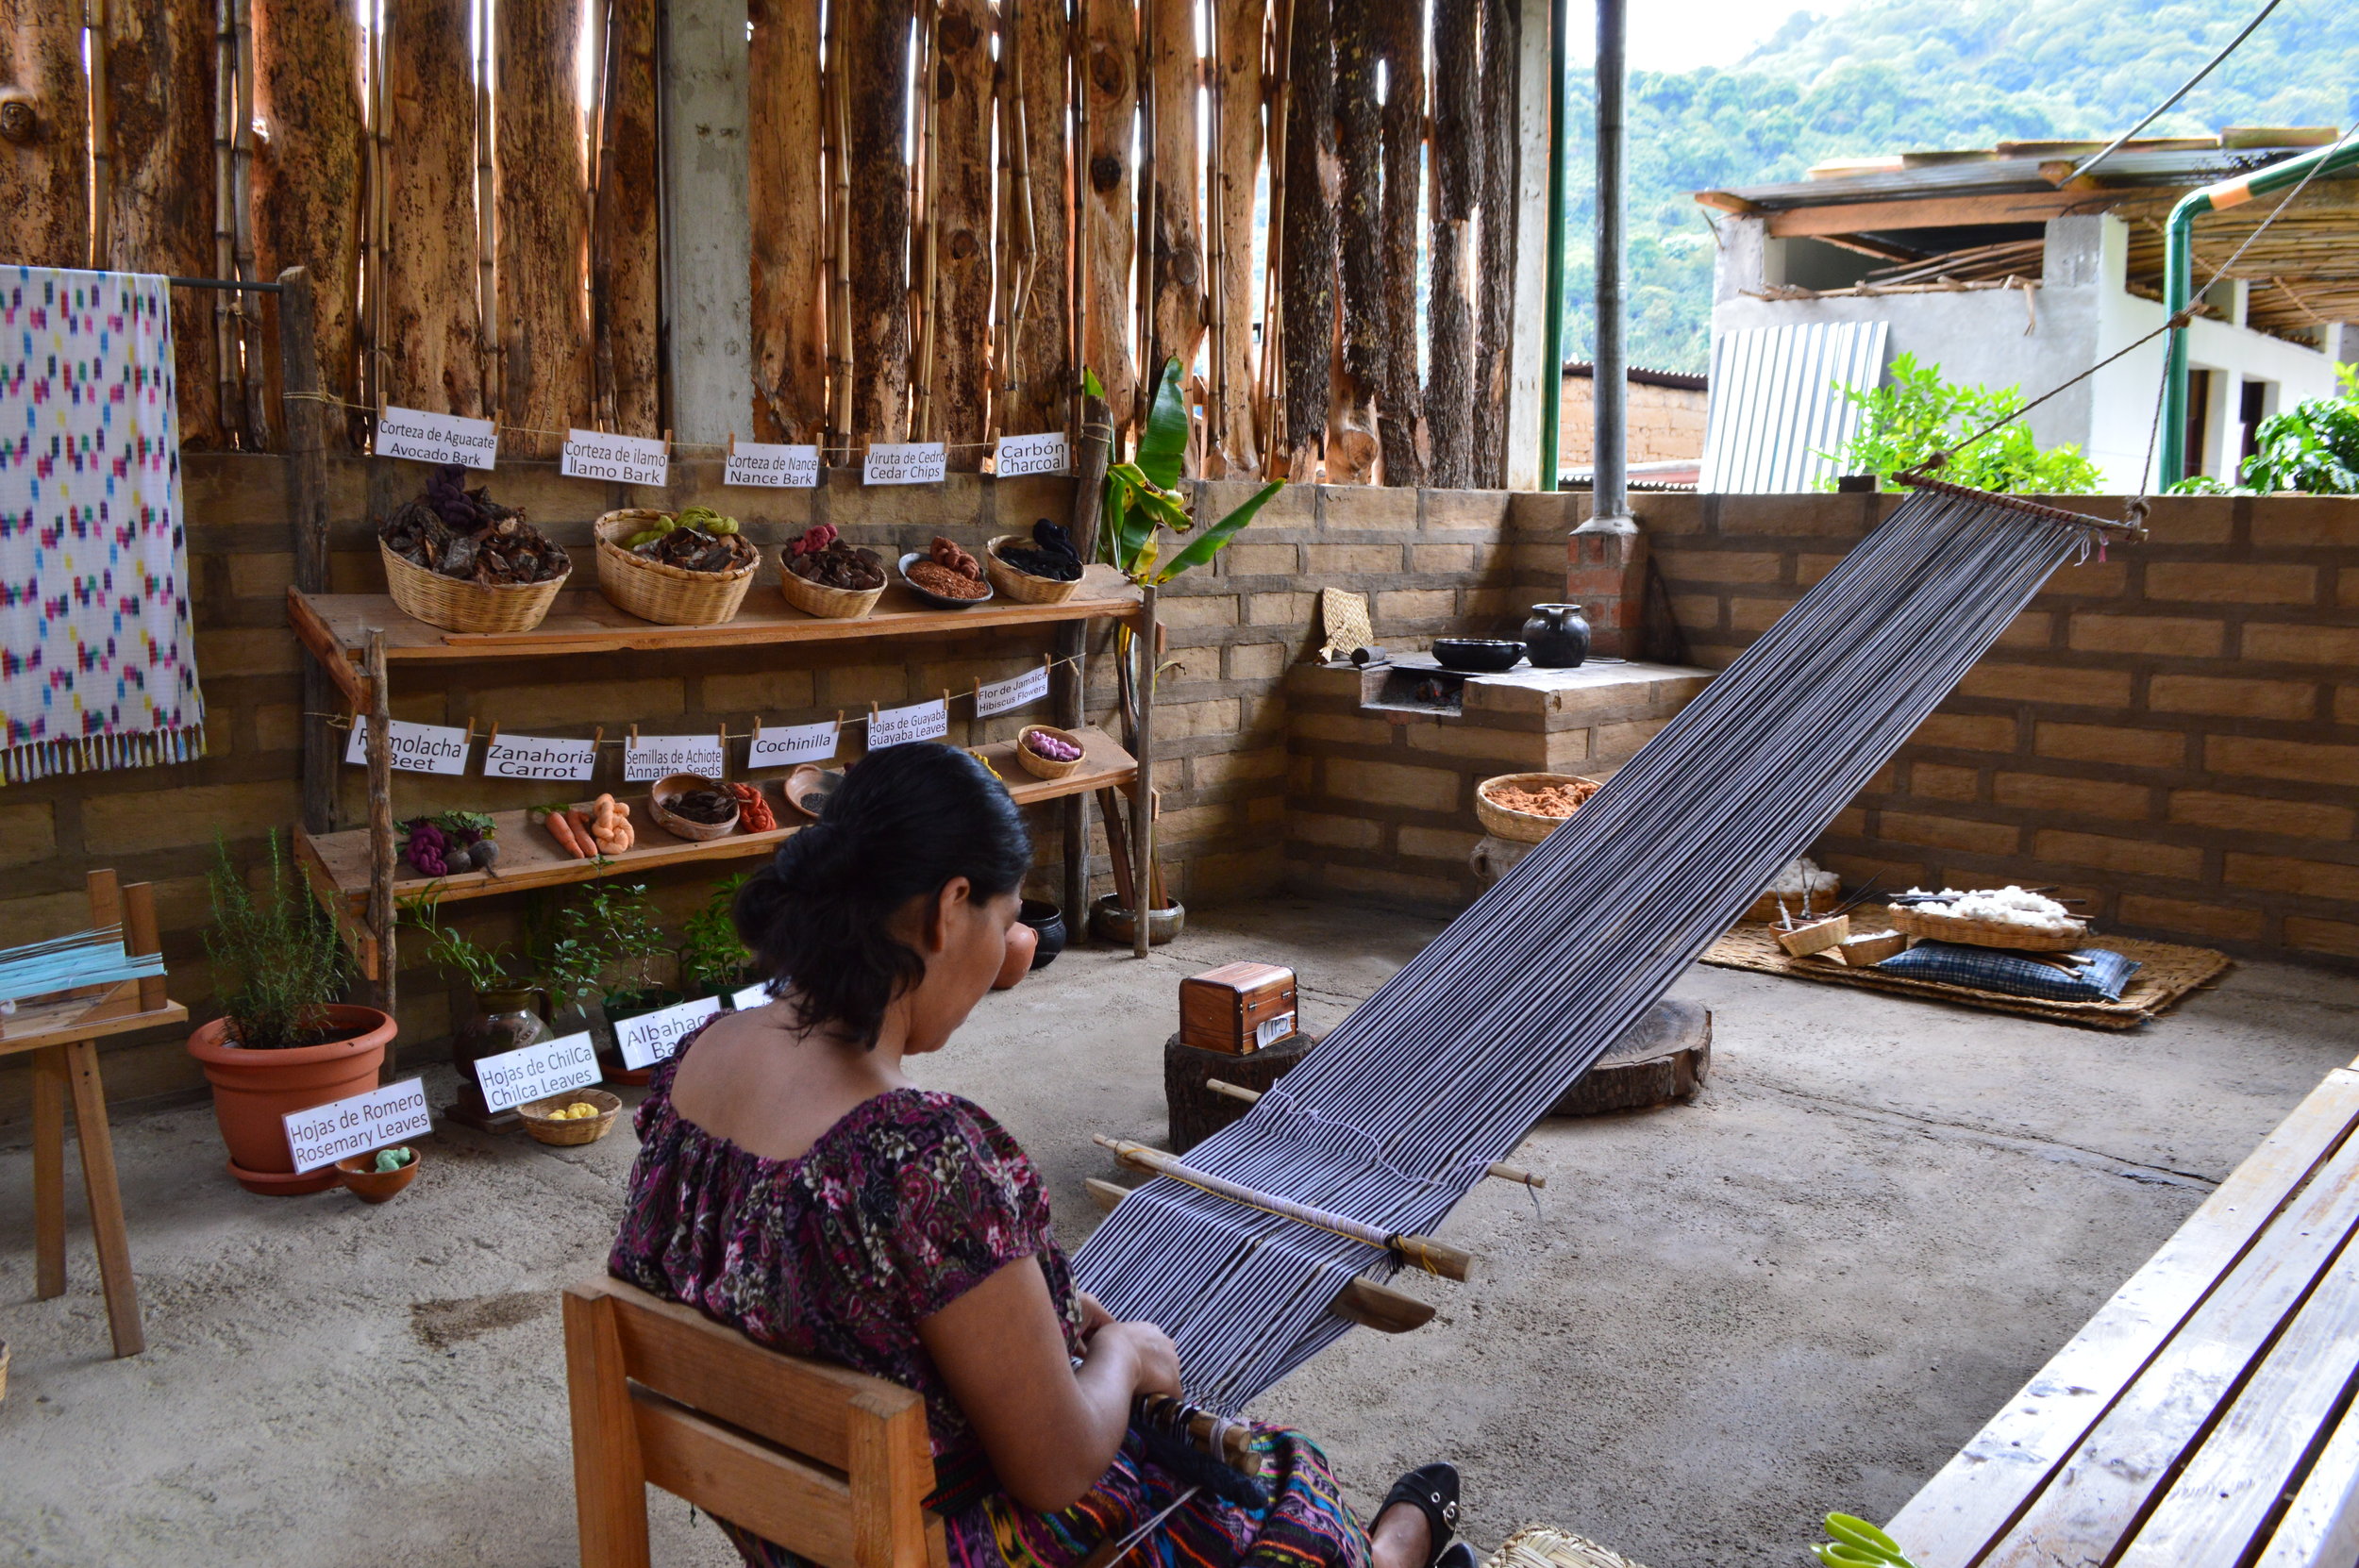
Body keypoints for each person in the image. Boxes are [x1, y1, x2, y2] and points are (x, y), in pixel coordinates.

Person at [611, 742, 1472, 1568]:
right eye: (1008, 919)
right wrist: (1126, 1354)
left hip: (791, 1528)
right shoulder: (921, 1154)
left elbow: (823, 1290)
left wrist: (1046, 1310)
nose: (1003, 956)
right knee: (1283, 1489)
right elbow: (1058, 1471)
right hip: (931, 1541)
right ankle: (1394, 1550)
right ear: (951, 909)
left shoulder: (702, 1056)